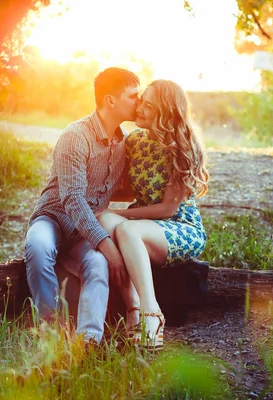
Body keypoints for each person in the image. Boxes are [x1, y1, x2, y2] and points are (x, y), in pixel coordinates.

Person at [24, 67, 140, 345]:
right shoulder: (75, 136)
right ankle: (51, 332)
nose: (140, 101)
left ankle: (89, 341)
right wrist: (105, 242)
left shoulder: (125, 143)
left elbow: (117, 188)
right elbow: (73, 198)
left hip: (84, 230)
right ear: (110, 100)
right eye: (133, 96)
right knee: (38, 249)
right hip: (52, 218)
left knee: (98, 265)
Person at [96, 79, 210, 350]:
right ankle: (133, 309)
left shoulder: (184, 145)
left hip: (178, 226)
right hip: (142, 222)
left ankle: (150, 313)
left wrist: (118, 212)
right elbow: (124, 190)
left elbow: (167, 208)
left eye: (148, 105)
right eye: (140, 102)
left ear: (165, 111)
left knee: (123, 227)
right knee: (102, 219)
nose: (139, 109)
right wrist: (90, 195)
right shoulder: (134, 141)